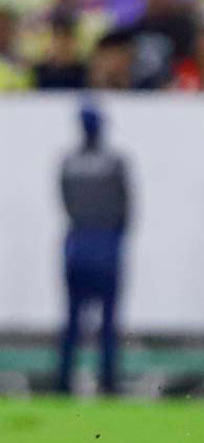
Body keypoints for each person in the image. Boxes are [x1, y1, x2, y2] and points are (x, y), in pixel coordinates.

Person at [58, 101, 131, 395]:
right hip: (107, 246)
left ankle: (63, 380)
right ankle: (108, 381)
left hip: (77, 245)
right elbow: (126, 208)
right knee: (109, 320)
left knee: (72, 319)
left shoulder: (68, 163)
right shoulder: (114, 163)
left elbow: (65, 203)